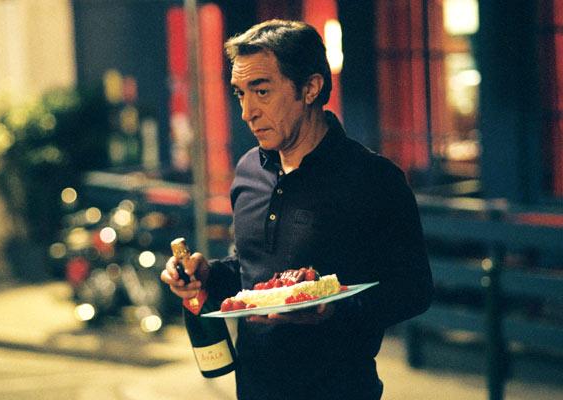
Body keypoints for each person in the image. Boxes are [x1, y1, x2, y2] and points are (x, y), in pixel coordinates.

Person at [161, 19, 433, 400]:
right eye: (240, 94)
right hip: (254, 391)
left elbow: (415, 290)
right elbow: (252, 271)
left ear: (310, 88)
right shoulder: (248, 171)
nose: (247, 112)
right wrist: (208, 274)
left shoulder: (373, 178)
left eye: (262, 91)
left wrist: (334, 311)